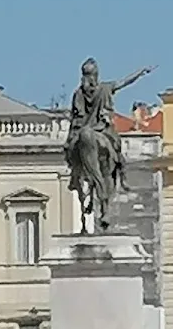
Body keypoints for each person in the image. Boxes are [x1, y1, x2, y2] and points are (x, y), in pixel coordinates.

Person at [65, 57, 156, 232]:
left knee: (71, 152)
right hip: (101, 130)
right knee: (116, 148)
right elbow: (124, 82)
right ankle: (122, 173)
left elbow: (75, 118)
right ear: (96, 75)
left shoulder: (78, 93)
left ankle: (74, 176)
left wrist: (71, 138)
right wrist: (140, 72)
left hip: (83, 130)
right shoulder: (105, 88)